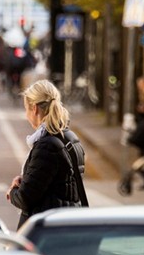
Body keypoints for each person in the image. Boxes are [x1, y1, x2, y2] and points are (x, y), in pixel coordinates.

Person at [5, 79, 85, 229]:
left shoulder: (47, 146)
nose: (26, 114)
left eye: (26, 109)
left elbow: (25, 198)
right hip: (66, 224)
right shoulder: (70, 138)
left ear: (34, 108)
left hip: (48, 231)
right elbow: (57, 183)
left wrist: (13, 191)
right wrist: (26, 179)